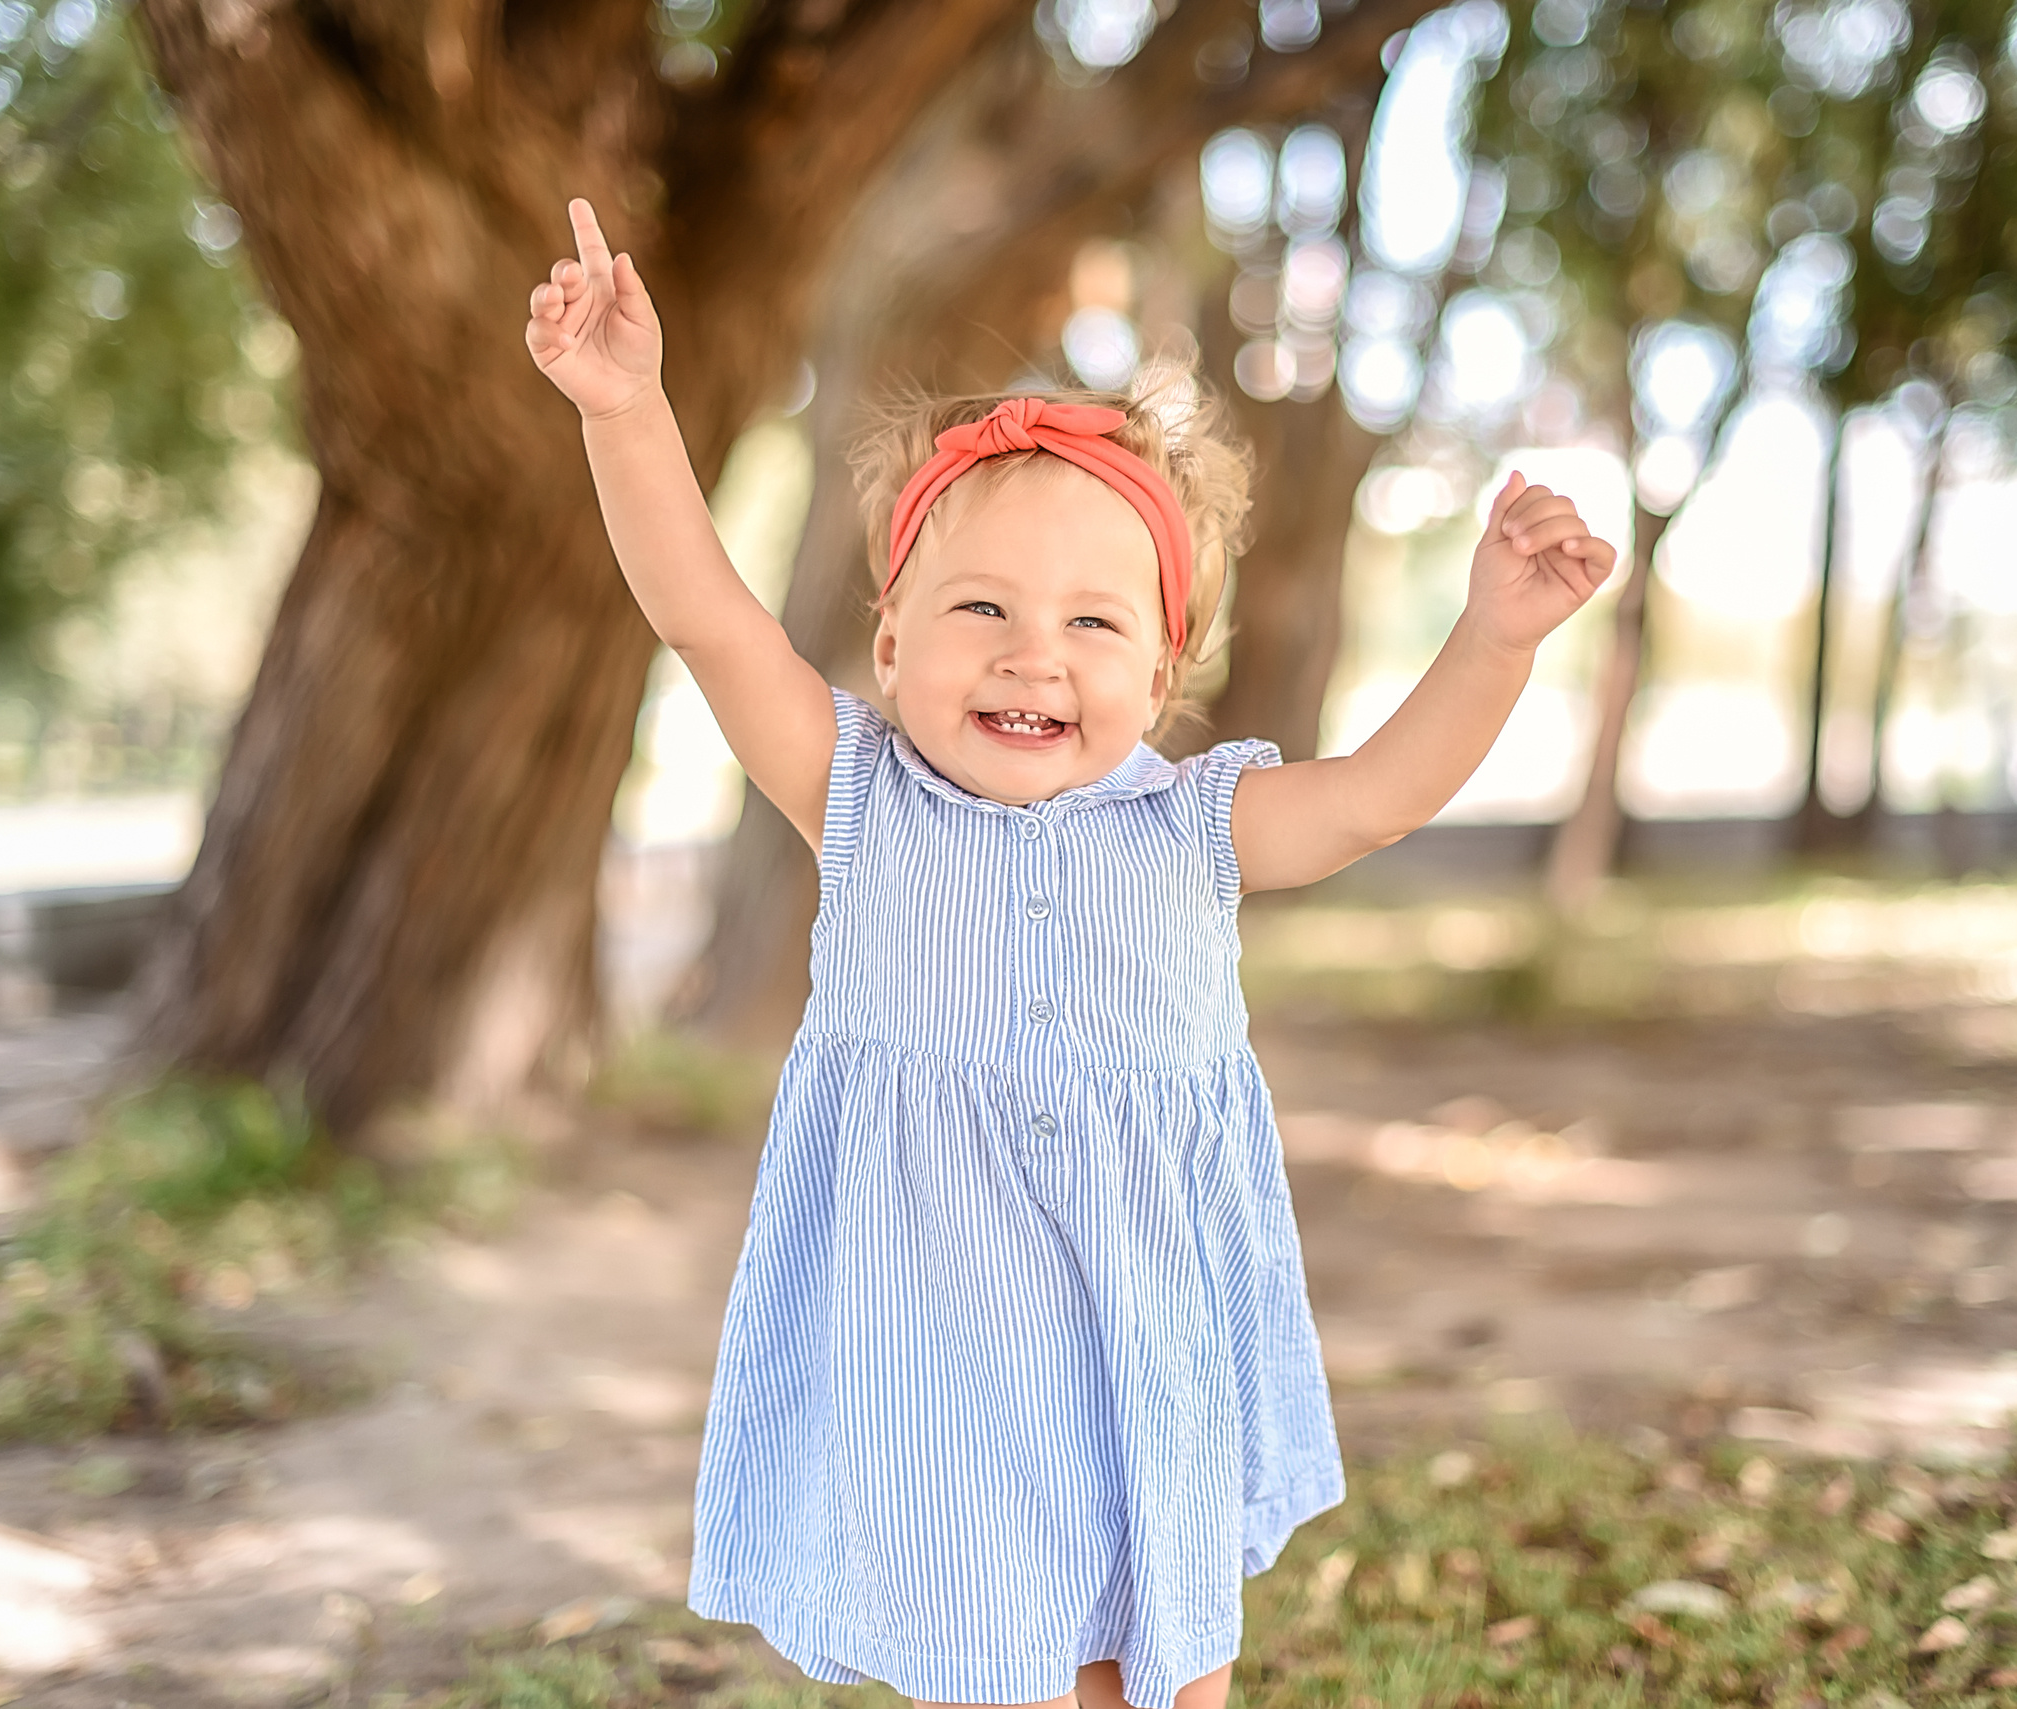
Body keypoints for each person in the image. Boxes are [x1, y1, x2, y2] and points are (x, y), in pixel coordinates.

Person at [523, 197, 1619, 1709]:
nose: (1035, 652)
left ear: (1162, 669)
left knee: (1168, 1678)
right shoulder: (858, 796)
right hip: (948, 1358)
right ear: (890, 642)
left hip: (1145, 1347)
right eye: (981, 607)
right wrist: (628, 409)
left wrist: (1494, 641)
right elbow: (707, 618)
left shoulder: (1195, 825)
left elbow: (1376, 799)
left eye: (1095, 621)